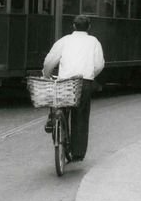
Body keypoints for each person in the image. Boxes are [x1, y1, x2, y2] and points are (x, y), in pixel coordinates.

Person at [42, 14, 105, 162]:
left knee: (60, 105)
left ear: (73, 26)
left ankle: (56, 123)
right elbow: (100, 64)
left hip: (65, 82)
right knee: (81, 116)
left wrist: (46, 75)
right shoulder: (94, 41)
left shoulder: (64, 40)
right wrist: (90, 74)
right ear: (89, 27)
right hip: (84, 83)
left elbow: (50, 61)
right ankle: (77, 153)